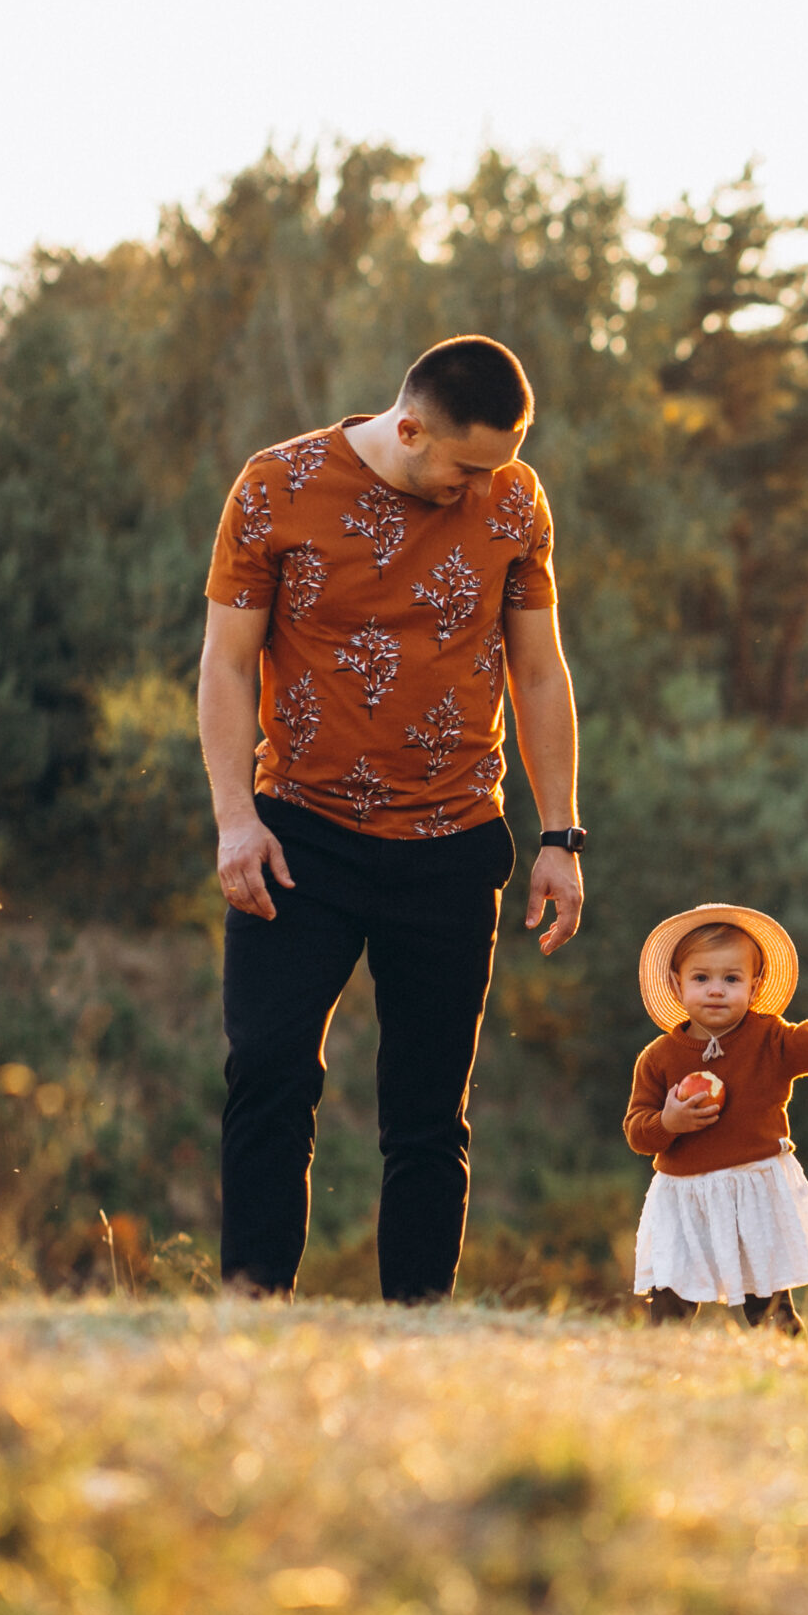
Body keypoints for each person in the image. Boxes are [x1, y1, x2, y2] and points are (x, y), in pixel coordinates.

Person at [198, 335, 586, 1302]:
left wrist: (560, 834)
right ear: (410, 429)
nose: (482, 487)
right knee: (269, 1071)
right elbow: (226, 664)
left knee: (428, 1112)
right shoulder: (276, 487)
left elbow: (539, 670)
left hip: (452, 843)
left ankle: (418, 1323)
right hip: (299, 837)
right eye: (467, 467)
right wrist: (235, 820)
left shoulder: (516, 500)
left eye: (497, 466)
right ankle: (252, 1310)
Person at [623, 905, 808, 1330]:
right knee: (670, 1301)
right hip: (684, 1199)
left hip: (753, 1192)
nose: (716, 990)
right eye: (701, 978)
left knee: (768, 1305)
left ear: (755, 985)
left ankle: (788, 1359)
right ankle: (660, 1359)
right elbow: (637, 1133)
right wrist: (668, 1123)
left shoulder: (770, 1039)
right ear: (677, 985)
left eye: (731, 979)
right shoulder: (658, 1058)